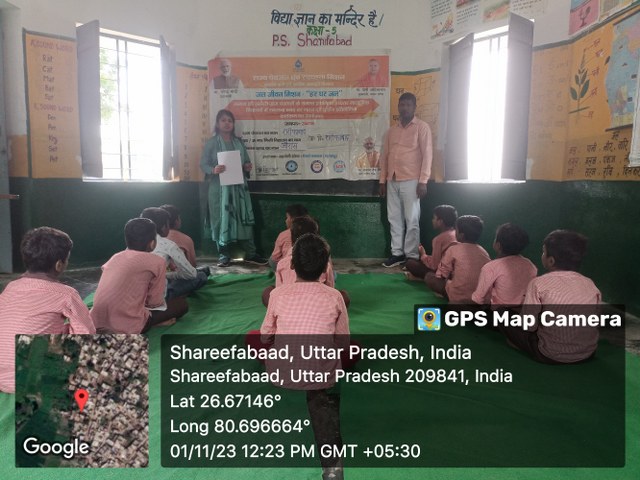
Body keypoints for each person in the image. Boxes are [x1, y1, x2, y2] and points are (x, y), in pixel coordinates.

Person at [260, 233, 349, 480]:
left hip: (281, 372)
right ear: (326, 268)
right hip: (321, 375)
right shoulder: (335, 296)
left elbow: (265, 338)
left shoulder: (277, 295)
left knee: (255, 339)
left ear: (291, 264)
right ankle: (332, 467)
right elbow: (343, 343)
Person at [0, 227, 96, 393]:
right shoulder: (66, 294)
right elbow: (87, 334)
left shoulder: (10, 288)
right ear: (59, 265)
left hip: (3, 379)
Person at [500, 230, 601, 364]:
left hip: (549, 355)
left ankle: (517, 343)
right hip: (588, 353)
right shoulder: (590, 284)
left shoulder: (538, 283)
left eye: (543, 252)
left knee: (502, 314)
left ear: (551, 260)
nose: (542, 255)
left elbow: (528, 325)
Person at [91, 218, 188, 334]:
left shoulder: (115, 257)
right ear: (152, 243)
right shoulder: (157, 262)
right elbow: (154, 303)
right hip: (129, 326)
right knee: (181, 304)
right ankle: (152, 323)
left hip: (96, 321)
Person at [200, 109, 268, 267]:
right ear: (217, 123)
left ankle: (251, 254)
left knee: (243, 219)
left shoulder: (239, 142)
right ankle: (224, 255)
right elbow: (203, 164)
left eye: (229, 121)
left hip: (239, 189)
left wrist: (247, 166)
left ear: (233, 124)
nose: (227, 123)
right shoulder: (211, 143)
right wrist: (213, 169)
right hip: (219, 190)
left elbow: (246, 161)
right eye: (223, 120)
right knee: (220, 220)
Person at [379, 92, 433, 267]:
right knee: (394, 218)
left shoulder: (422, 128)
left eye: (408, 105)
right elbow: (385, 156)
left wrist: (423, 181)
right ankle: (397, 254)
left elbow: (427, 155)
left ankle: (411, 256)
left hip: (412, 180)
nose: (405, 108)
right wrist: (382, 181)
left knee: (412, 219)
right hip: (392, 180)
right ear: (398, 107)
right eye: (402, 105)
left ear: (414, 107)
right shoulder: (391, 131)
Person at [263, 216, 349, 308]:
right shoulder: (323, 261)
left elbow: (279, 290)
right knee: (342, 295)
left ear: (292, 264)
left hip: (288, 307)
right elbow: (330, 290)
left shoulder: (283, 263)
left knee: (269, 292)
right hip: (318, 307)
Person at [140, 207, 207, 298]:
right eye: (167, 224)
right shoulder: (168, 245)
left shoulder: (134, 243)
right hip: (157, 293)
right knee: (201, 275)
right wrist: (169, 275)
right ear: (164, 227)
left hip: (136, 291)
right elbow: (190, 273)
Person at [426, 215, 490, 303]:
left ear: (461, 235)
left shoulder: (453, 249)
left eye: (456, 230)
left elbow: (441, 274)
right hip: (481, 299)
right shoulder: (484, 252)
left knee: (429, 277)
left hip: (458, 296)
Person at [472, 223, 537, 307]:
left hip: (500, 312)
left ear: (498, 245)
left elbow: (478, 298)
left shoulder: (491, 267)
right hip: (523, 311)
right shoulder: (529, 265)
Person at [405, 205, 458, 280]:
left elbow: (434, 265)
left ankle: (423, 279)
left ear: (440, 222)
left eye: (434, 218)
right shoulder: (456, 234)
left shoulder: (439, 239)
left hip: (444, 274)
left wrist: (423, 254)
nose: (432, 220)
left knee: (410, 263)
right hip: (456, 272)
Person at [269, 203, 308, 270]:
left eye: (287, 217)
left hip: (288, 269)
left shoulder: (283, 235)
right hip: (309, 269)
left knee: (271, 260)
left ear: (292, 219)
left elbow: (275, 258)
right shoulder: (313, 232)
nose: (285, 220)